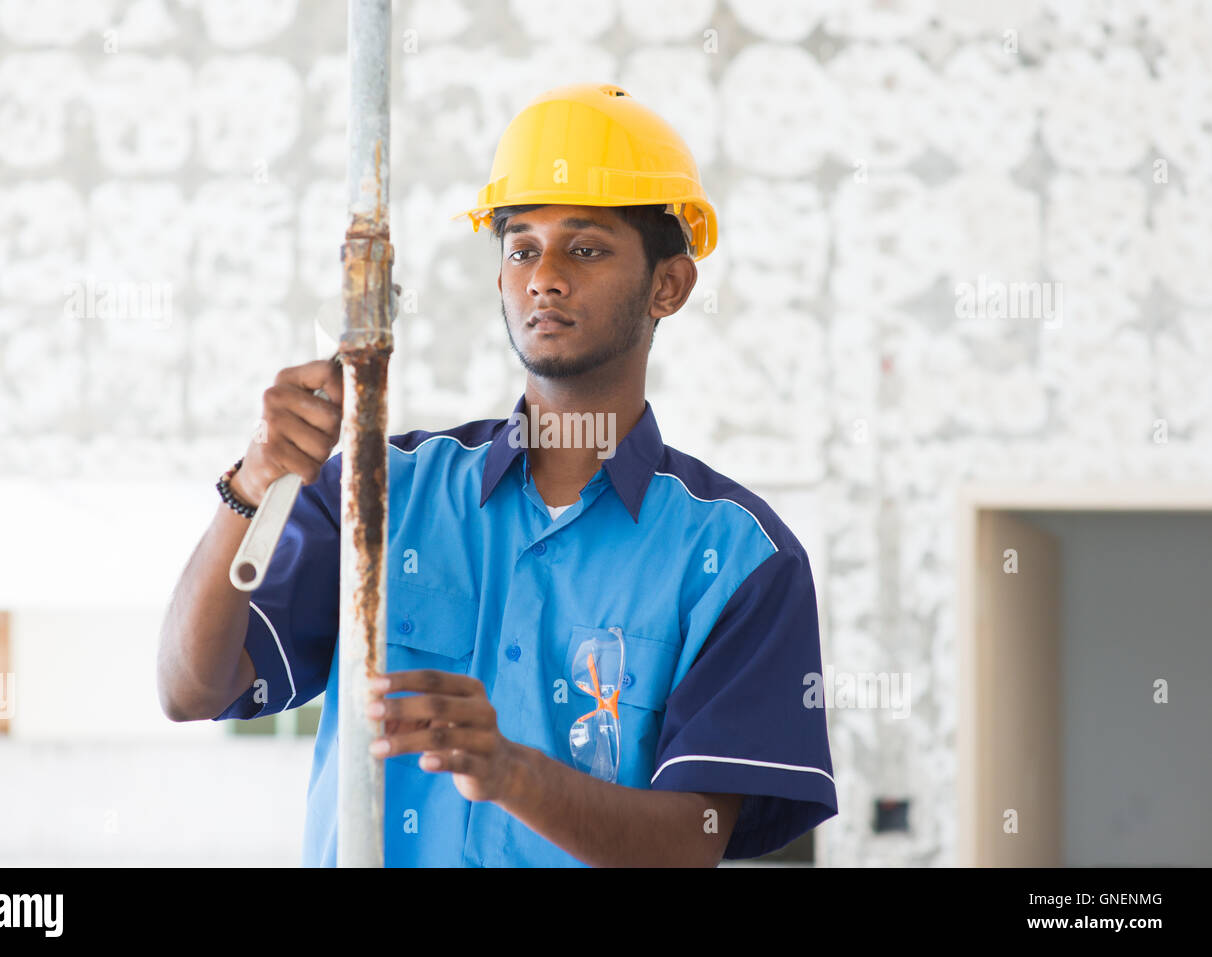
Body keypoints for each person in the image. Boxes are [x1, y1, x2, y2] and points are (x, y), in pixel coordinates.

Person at [157, 83, 837, 867]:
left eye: (585, 247)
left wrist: (512, 770)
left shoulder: (742, 559)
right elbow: (189, 688)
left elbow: (692, 843)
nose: (543, 275)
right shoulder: (381, 493)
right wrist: (253, 484)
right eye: (520, 247)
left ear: (668, 285)